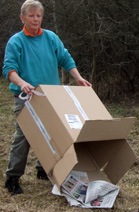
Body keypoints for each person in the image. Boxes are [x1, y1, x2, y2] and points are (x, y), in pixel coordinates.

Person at [2, 0, 92, 195]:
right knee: (24, 136)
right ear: (22, 18)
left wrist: (78, 78)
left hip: (51, 96)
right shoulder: (16, 41)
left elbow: (65, 58)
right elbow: (9, 69)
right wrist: (22, 83)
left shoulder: (51, 38)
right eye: (31, 15)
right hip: (26, 96)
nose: (35, 19)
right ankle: (12, 177)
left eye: (38, 16)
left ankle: (44, 169)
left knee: (53, 133)